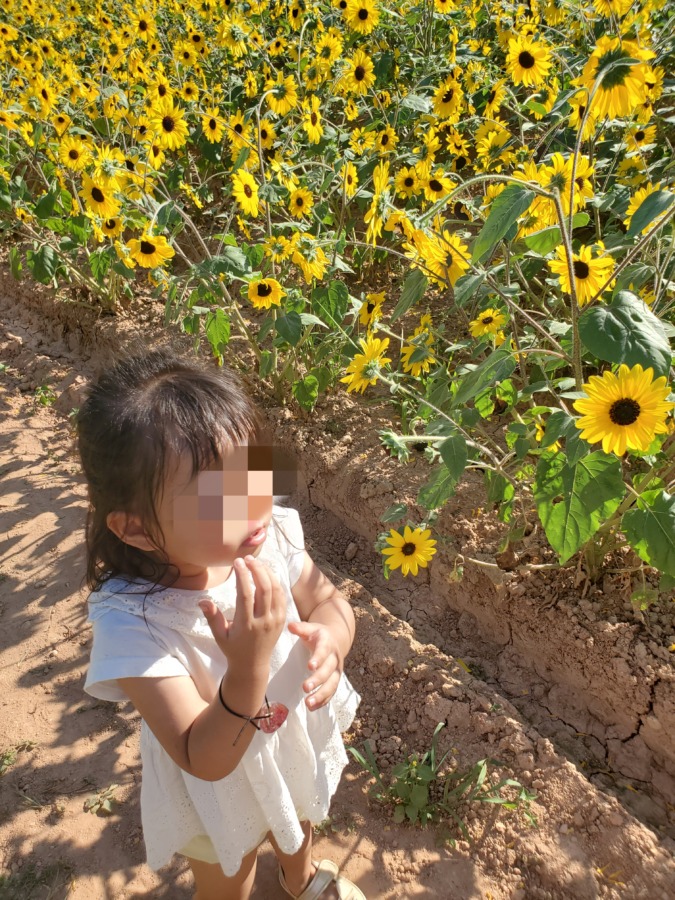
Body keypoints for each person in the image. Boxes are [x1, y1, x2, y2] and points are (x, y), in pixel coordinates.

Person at [77, 349, 364, 900]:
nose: (255, 502)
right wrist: (250, 667)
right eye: (219, 498)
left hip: (286, 744)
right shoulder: (136, 623)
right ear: (136, 529)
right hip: (214, 792)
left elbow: (328, 601)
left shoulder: (270, 533)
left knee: (298, 815)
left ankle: (299, 881)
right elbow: (201, 758)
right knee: (228, 875)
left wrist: (333, 638)